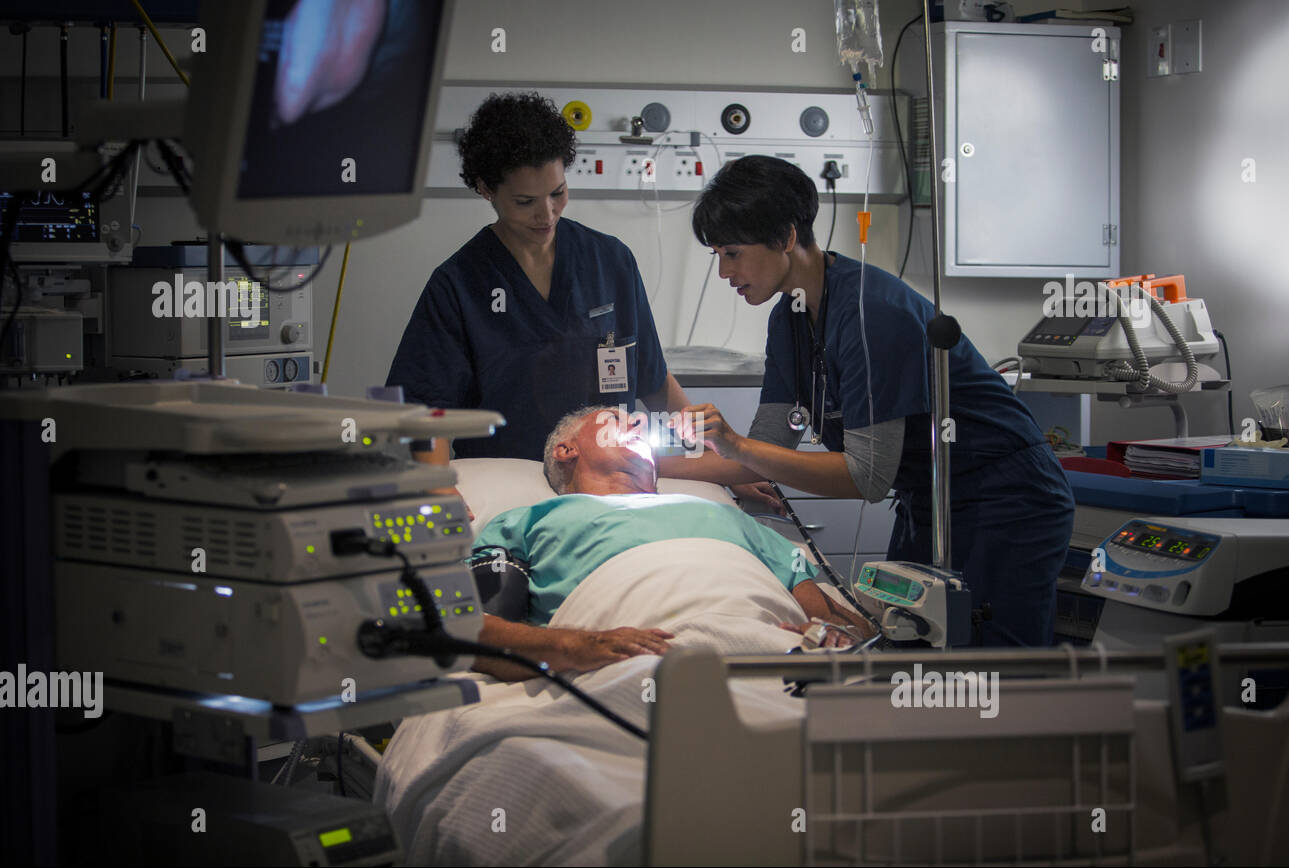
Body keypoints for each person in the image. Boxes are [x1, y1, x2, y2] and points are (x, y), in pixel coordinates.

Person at [670, 156, 1074, 648]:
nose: (723, 272)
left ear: (786, 237)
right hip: (929, 500)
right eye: (717, 255)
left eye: (732, 252)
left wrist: (736, 446)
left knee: (996, 673)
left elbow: (865, 477)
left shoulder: (872, 313)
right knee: (911, 651)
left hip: (1008, 499)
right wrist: (650, 469)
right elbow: (763, 449)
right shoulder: (790, 320)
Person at [386, 92, 695, 465]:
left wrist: (717, 459)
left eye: (557, 193)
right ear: (486, 189)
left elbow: (654, 380)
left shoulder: (610, 261)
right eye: (524, 202)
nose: (546, 214)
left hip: (609, 477)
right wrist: (436, 491)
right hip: (510, 481)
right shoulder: (458, 286)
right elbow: (426, 411)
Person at [466, 407, 876, 681]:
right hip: (625, 665)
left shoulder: (725, 515)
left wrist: (834, 636)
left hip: (768, 658)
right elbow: (471, 633)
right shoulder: (527, 522)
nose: (639, 424)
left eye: (642, 422)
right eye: (614, 419)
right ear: (566, 449)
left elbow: (847, 626)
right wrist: (577, 645)